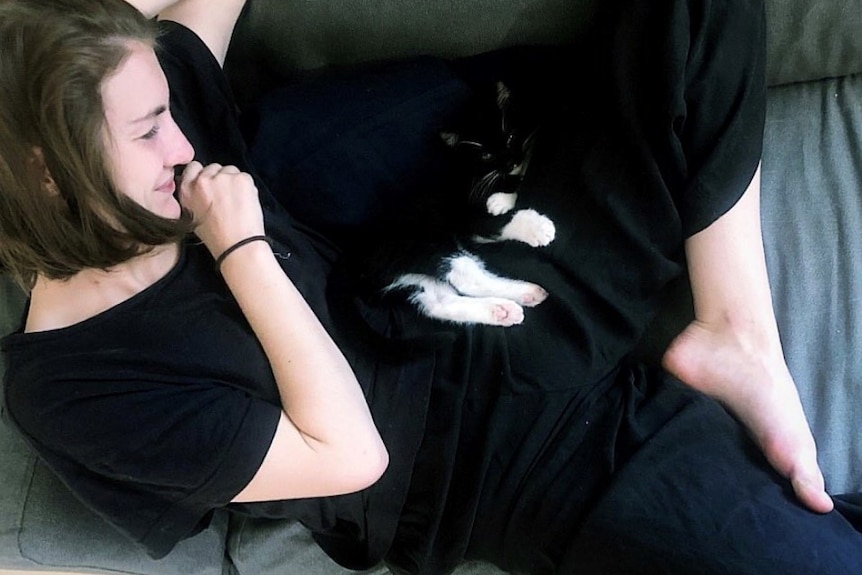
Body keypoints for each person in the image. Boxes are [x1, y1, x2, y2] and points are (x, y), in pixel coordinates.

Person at [0, 0, 860, 573]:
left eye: (169, 113)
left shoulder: (140, 114)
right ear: (45, 172)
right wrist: (242, 249)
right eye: (151, 129)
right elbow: (350, 454)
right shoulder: (73, 384)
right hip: (501, 467)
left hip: (474, 287)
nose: (184, 143)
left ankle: (735, 333)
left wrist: (76, 28)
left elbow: (187, 22)